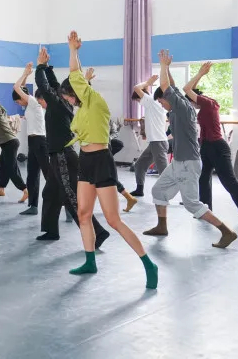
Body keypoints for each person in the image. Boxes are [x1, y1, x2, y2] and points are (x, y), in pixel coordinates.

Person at [62, 32, 158, 288]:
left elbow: (75, 76)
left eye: (68, 96)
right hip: (85, 160)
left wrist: (73, 51)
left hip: (101, 161)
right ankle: (90, 261)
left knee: (113, 220)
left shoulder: (94, 100)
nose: (68, 100)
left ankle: (149, 264)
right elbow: (78, 79)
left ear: (77, 92)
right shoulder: (82, 108)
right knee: (83, 214)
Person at [143, 50, 238, 249]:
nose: (162, 105)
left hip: (188, 163)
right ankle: (162, 226)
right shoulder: (179, 104)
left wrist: (162, 66)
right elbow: (171, 86)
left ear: (167, 99)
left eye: (161, 101)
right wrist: (168, 68)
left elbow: (166, 87)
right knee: (158, 190)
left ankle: (226, 231)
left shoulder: (182, 109)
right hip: (178, 162)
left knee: (191, 204)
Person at [35, 47, 110, 245]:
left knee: (71, 197)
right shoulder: (63, 101)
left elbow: (44, 86)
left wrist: (40, 67)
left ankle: (98, 232)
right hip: (57, 156)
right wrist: (48, 68)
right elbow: (53, 85)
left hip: (62, 155)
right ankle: (51, 230)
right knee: (50, 193)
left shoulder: (57, 104)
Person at [184, 62, 238, 227]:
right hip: (206, 146)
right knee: (203, 178)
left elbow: (187, 89)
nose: (192, 106)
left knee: (229, 182)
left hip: (217, 147)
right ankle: (206, 211)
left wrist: (200, 74)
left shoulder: (208, 103)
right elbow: (190, 90)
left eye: (191, 102)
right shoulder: (204, 104)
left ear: (195, 99)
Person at [83, 68, 138, 212]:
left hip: (100, 149)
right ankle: (128, 197)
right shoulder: (92, 109)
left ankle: (127, 198)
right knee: (105, 176)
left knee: (105, 176)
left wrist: (86, 82)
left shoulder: (97, 109)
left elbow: (86, 96)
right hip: (96, 148)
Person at [12, 62, 48, 214]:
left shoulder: (33, 102)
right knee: (32, 176)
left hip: (40, 141)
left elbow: (17, 87)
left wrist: (25, 74)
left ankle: (67, 205)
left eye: (18, 100)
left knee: (49, 175)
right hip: (32, 142)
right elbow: (22, 88)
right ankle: (33, 206)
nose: (19, 103)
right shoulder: (29, 105)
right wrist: (25, 76)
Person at [129, 75, 170, 198]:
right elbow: (142, 90)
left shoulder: (151, 102)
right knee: (139, 165)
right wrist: (148, 85)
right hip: (154, 142)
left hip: (158, 142)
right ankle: (139, 189)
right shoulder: (152, 102)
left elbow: (136, 88)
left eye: (138, 100)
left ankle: (167, 194)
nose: (139, 103)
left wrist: (147, 82)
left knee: (164, 171)